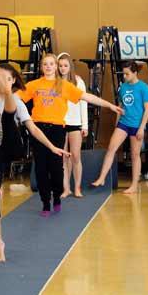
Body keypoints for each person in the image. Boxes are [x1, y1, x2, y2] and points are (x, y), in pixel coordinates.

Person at [0, 63, 69, 261]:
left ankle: (9, 95)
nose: (2, 81)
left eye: (8, 78)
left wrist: (51, 146)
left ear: (13, 81)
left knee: (8, 117)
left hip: (12, 146)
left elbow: (33, 129)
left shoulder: (18, 102)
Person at [16, 53, 123, 216]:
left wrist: (109, 105)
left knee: (56, 168)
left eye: (51, 64)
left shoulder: (64, 85)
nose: (49, 67)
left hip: (57, 129)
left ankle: (57, 196)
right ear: (42, 67)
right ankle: (45, 202)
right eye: (45, 64)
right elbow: (13, 98)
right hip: (38, 128)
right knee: (40, 168)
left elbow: (87, 97)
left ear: (55, 66)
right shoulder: (34, 85)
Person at [91, 61, 148, 194]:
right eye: (123, 74)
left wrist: (142, 128)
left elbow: (147, 110)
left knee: (135, 155)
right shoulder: (123, 87)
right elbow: (121, 107)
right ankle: (101, 178)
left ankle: (134, 185)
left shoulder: (143, 88)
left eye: (127, 74)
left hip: (137, 125)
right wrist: (116, 124)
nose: (124, 76)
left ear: (135, 73)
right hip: (123, 123)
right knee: (111, 149)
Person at [57, 53, 88, 198]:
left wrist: (85, 125)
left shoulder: (78, 82)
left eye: (65, 66)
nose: (63, 69)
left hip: (75, 123)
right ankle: (66, 188)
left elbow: (83, 104)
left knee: (75, 156)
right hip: (60, 123)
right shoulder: (55, 82)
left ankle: (77, 187)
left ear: (70, 67)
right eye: (60, 66)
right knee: (63, 157)